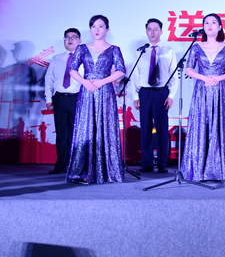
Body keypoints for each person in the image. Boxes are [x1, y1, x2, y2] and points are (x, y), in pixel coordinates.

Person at [182, 13, 225, 181]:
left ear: (220, 27)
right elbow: (188, 69)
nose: (209, 25)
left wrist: (218, 78)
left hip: (220, 90)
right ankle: (199, 168)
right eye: (206, 23)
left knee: (219, 126)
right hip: (202, 90)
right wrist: (204, 78)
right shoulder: (196, 47)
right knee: (201, 126)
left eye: (213, 22)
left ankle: (219, 169)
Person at [66, 15, 126, 184]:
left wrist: (102, 81)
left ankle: (108, 172)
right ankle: (81, 172)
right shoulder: (82, 48)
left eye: (101, 26)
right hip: (87, 92)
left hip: (105, 91)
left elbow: (121, 70)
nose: (97, 29)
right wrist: (85, 82)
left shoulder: (114, 49)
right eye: (94, 26)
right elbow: (72, 69)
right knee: (86, 128)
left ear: (107, 29)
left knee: (105, 127)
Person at [131, 18, 179, 174]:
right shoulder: (141, 51)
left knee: (161, 128)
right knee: (145, 128)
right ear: (146, 32)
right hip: (145, 92)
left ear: (161, 31)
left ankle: (162, 163)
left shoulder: (168, 51)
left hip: (161, 92)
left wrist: (171, 95)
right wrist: (136, 96)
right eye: (149, 29)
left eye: (155, 29)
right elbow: (135, 75)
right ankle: (147, 163)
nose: (152, 32)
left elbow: (173, 75)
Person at [44, 28, 82, 174]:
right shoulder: (57, 58)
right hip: (59, 98)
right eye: (67, 37)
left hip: (77, 99)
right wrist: (49, 99)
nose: (70, 40)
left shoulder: (84, 59)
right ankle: (61, 165)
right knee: (61, 134)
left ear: (79, 41)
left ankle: (75, 165)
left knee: (76, 133)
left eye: (74, 37)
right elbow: (49, 79)